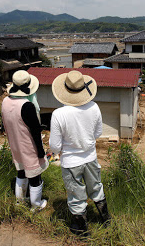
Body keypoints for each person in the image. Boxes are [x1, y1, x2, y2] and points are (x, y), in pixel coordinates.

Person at [49, 70, 110, 236]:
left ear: (65, 90)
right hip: (90, 157)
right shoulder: (94, 107)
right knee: (96, 187)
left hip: (70, 161)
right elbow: (97, 134)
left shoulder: (58, 114)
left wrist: (60, 150)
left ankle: (82, 229)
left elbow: (54, 146)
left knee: (76, 194)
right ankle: (106, 219)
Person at [1, 70, 48, 210]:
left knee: (21, 171)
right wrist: (40, 151)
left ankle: (20, 201)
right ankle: (36, 205)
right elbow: (35, 131)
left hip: (15, 143)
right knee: (35, 175)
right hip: (28, 145)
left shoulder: (5, 101)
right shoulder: (27, 106)